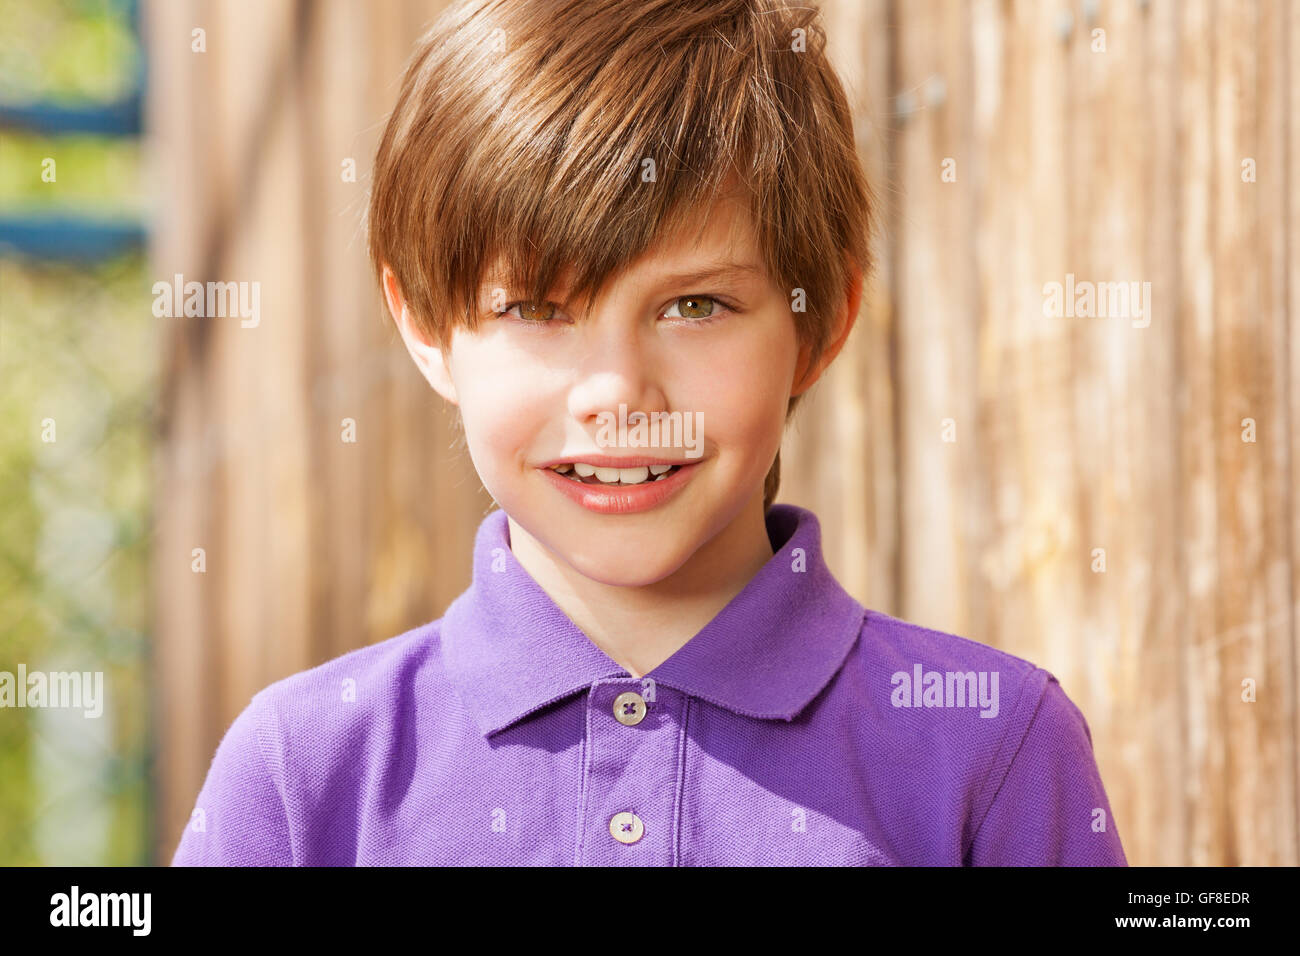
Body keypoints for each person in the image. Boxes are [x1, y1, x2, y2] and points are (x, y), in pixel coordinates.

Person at [172, 0, 1127, 866]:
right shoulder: (301, 775)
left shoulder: (993, 750)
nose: (618, 394)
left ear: (821, 320)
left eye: (697, 305)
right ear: (426, 327)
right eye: (538, 310)